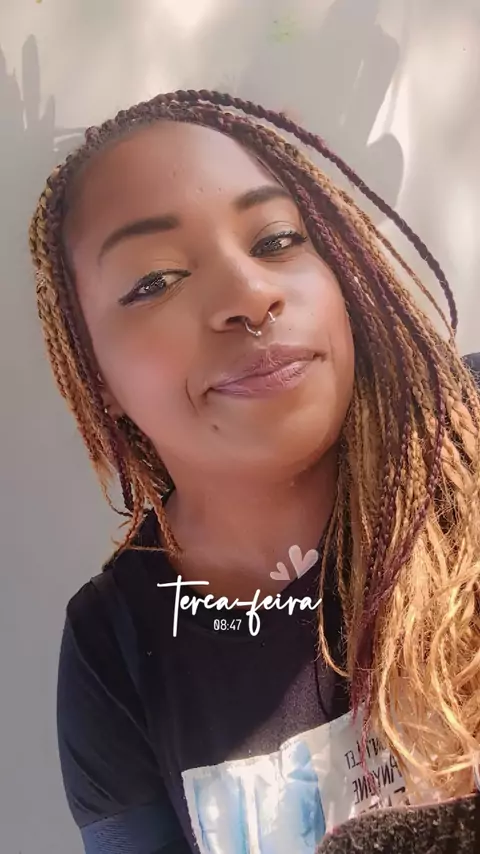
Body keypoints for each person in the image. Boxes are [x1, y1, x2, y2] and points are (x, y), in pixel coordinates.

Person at [29, 90, 480, 854]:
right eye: (154, 280)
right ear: (94, 373)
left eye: (276, 240)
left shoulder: (469, 438)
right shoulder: (112, 651)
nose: (249, 295)